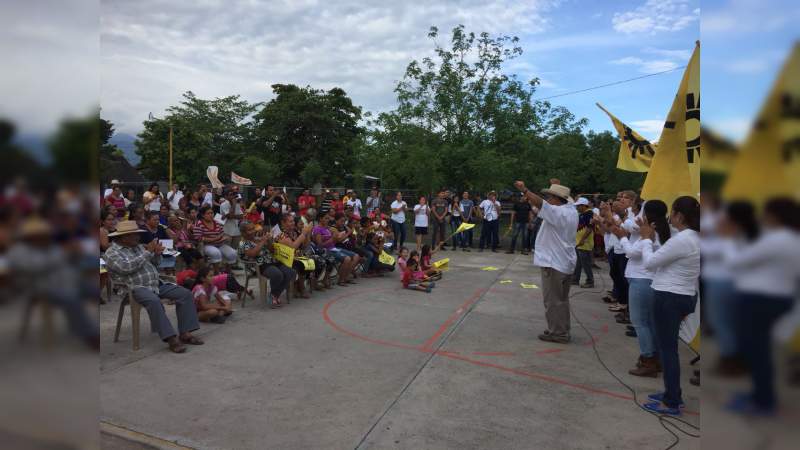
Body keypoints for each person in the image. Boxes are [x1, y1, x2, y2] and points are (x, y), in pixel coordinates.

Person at [723, 198, 800, 415]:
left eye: (765, 214)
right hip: (779, 298)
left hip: (759, 300)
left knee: (756, 351)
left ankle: (763, 400)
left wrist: (729, 239)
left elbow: (735, 262)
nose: (763, 218)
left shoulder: (776, 239)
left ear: (775, 216)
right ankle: (761, 394)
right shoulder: (794, 239)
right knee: (761, 350)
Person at [637, 196, 701, 415]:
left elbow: (649, 263)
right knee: (669, 348)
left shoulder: (683, 239)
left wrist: (646, 239)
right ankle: (670, 392)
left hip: (669, 296)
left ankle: (672, 399)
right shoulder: (695, 238)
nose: (669, 217)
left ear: (679, 216)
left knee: (668, 351)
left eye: (672, 213)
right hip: (684, 294)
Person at [103, 220, 204, 353]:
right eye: (134, 235)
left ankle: (185, 333)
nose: (138, 237)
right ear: (123, 237)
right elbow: (126, 268)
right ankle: (171, 338)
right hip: (135, 287)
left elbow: (155, 264)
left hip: (156, 283)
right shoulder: (111, 253)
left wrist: (156, 254)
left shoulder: (138, 247)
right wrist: (147, 252)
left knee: (185, 294)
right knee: (153, 301)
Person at [611, 199, 670, 377]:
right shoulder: (663, 230)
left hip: (641, 279)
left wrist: (621, 236)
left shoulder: (650, 232)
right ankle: (655, 358)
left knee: (640, 322)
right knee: (650, 322)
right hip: (649, 280)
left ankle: (648, 359)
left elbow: (631, 252)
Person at [515, 180, 578, 344]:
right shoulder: (571, 210)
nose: (548, 199)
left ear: (557, 199)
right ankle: (560, 328)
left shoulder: (558, 213)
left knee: (552, 300)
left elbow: (540, 203)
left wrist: (525, 190)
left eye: (550, 197)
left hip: (554, 262)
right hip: (565, 262)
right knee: (562, 299)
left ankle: (558, 332)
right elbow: (547, 205)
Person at [703, 201, 758, 376]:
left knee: (721, 322)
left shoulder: (730, 236)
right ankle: (734, 357)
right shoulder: (746, 233)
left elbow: (711, 251)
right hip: (729, 283)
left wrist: (708, 237)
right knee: (729, 322)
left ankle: (730, 359)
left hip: (722, 283)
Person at [238, 222, 294, 308]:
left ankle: (274, 294)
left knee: (290, 272)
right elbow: (253, 254)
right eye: (249, 230)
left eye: (253, 228)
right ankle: (274, 296)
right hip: (258, 266)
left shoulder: (258, 239)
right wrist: (263, 241)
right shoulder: (243, 243)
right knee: (277, 274)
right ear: (243, 232)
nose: (253, 231)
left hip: (272, 261)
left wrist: (269, 241)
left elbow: (272, 251)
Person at [313, 214, 358, 286]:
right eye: (326, 218)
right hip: (326, 250)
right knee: (347, 259)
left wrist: (336, 238)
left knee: (355, 256)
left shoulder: (328, 228)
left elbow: (335, 240)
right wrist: (332, 239)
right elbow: (320, 245)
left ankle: (345, 277)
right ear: (320, 219)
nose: (328, 220)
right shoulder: (317, 229)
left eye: (328, 218)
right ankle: (341, 280)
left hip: (334, 248)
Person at [276, 213, 315, 299]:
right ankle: (300, 288)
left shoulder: (295, 232)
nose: (293, 223)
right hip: (284, 260)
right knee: (301, 264)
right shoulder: (281, 235)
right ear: (283, 223)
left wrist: (308, 233)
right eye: (290, 221)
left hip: (296, 257)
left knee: (310, 261)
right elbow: (293, 247)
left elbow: (305, 246)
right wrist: (303, 234)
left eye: (293, 221)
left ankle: (299, 287)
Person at [571, 197, 594, 288]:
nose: (577, 208)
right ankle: (575, 279)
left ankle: (590, 281)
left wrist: (582, 239)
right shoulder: (582, 214)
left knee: (586, 263)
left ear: (583, 206)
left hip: (585, 243)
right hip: (579, 243)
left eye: (578, 206)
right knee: (578, 263)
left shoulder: (589, 213)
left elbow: (589, 228)